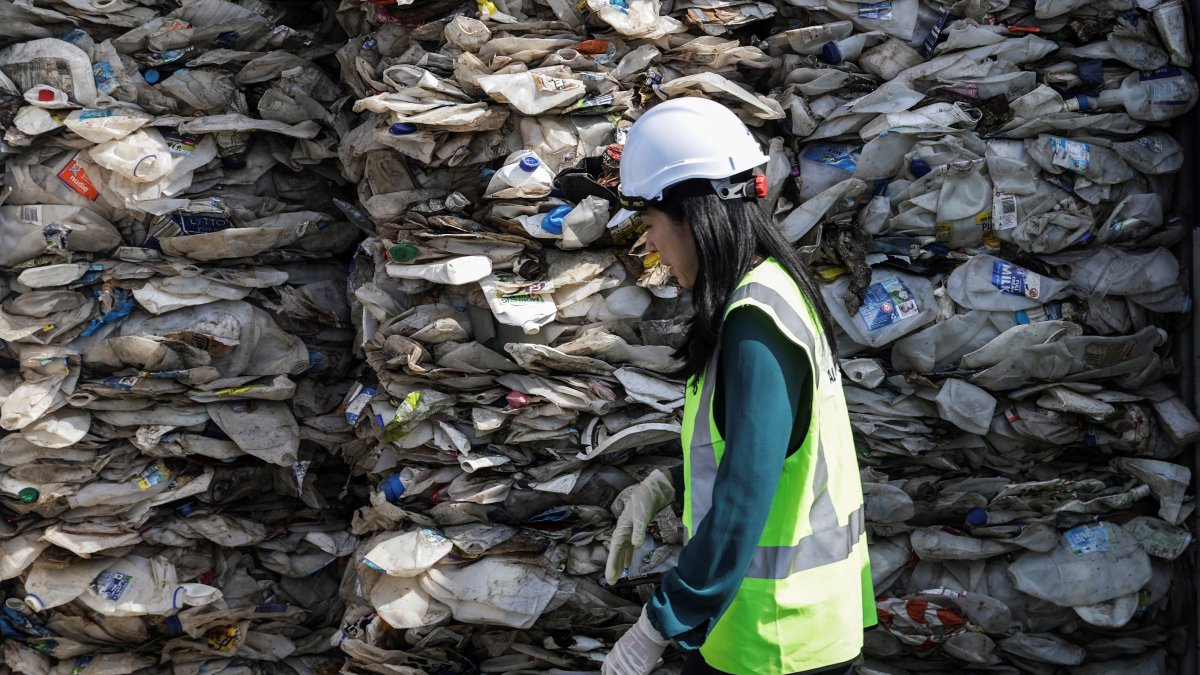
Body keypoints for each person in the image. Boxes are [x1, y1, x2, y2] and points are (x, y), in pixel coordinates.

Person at [600, 97, 876, 675]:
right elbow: (767, 450)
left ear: (693, 216)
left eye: (650, 226)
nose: (651, 246)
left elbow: (744, 498)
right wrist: (669, 483)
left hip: (774, 640)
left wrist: (658, 625)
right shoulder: (776, 290)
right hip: (791, 630)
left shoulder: (755, 323)